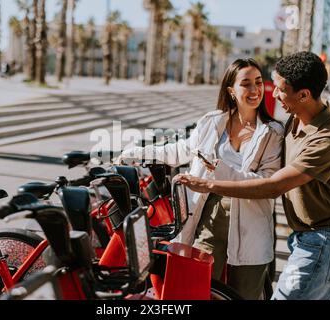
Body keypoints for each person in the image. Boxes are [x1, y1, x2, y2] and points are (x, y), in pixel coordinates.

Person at [176, 51, 330, 300]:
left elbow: (272, 186)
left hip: (325, 239)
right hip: (308, 235)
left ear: (303, 95)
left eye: (280, 89)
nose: (271, 94)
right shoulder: (297, 119)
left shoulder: (327, 139)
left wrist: (208, 183)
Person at [119, 58, 284, 299]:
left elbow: (266, 182)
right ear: (231, 90)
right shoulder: (212, 122)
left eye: (258, 82)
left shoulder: (273, 133)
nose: (254, 90)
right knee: (198, 291)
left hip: (252, 225)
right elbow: (180, 150)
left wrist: (216, 169)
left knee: (245, 295)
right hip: (209, 218)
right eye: (246, 84)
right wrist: (134, 154)